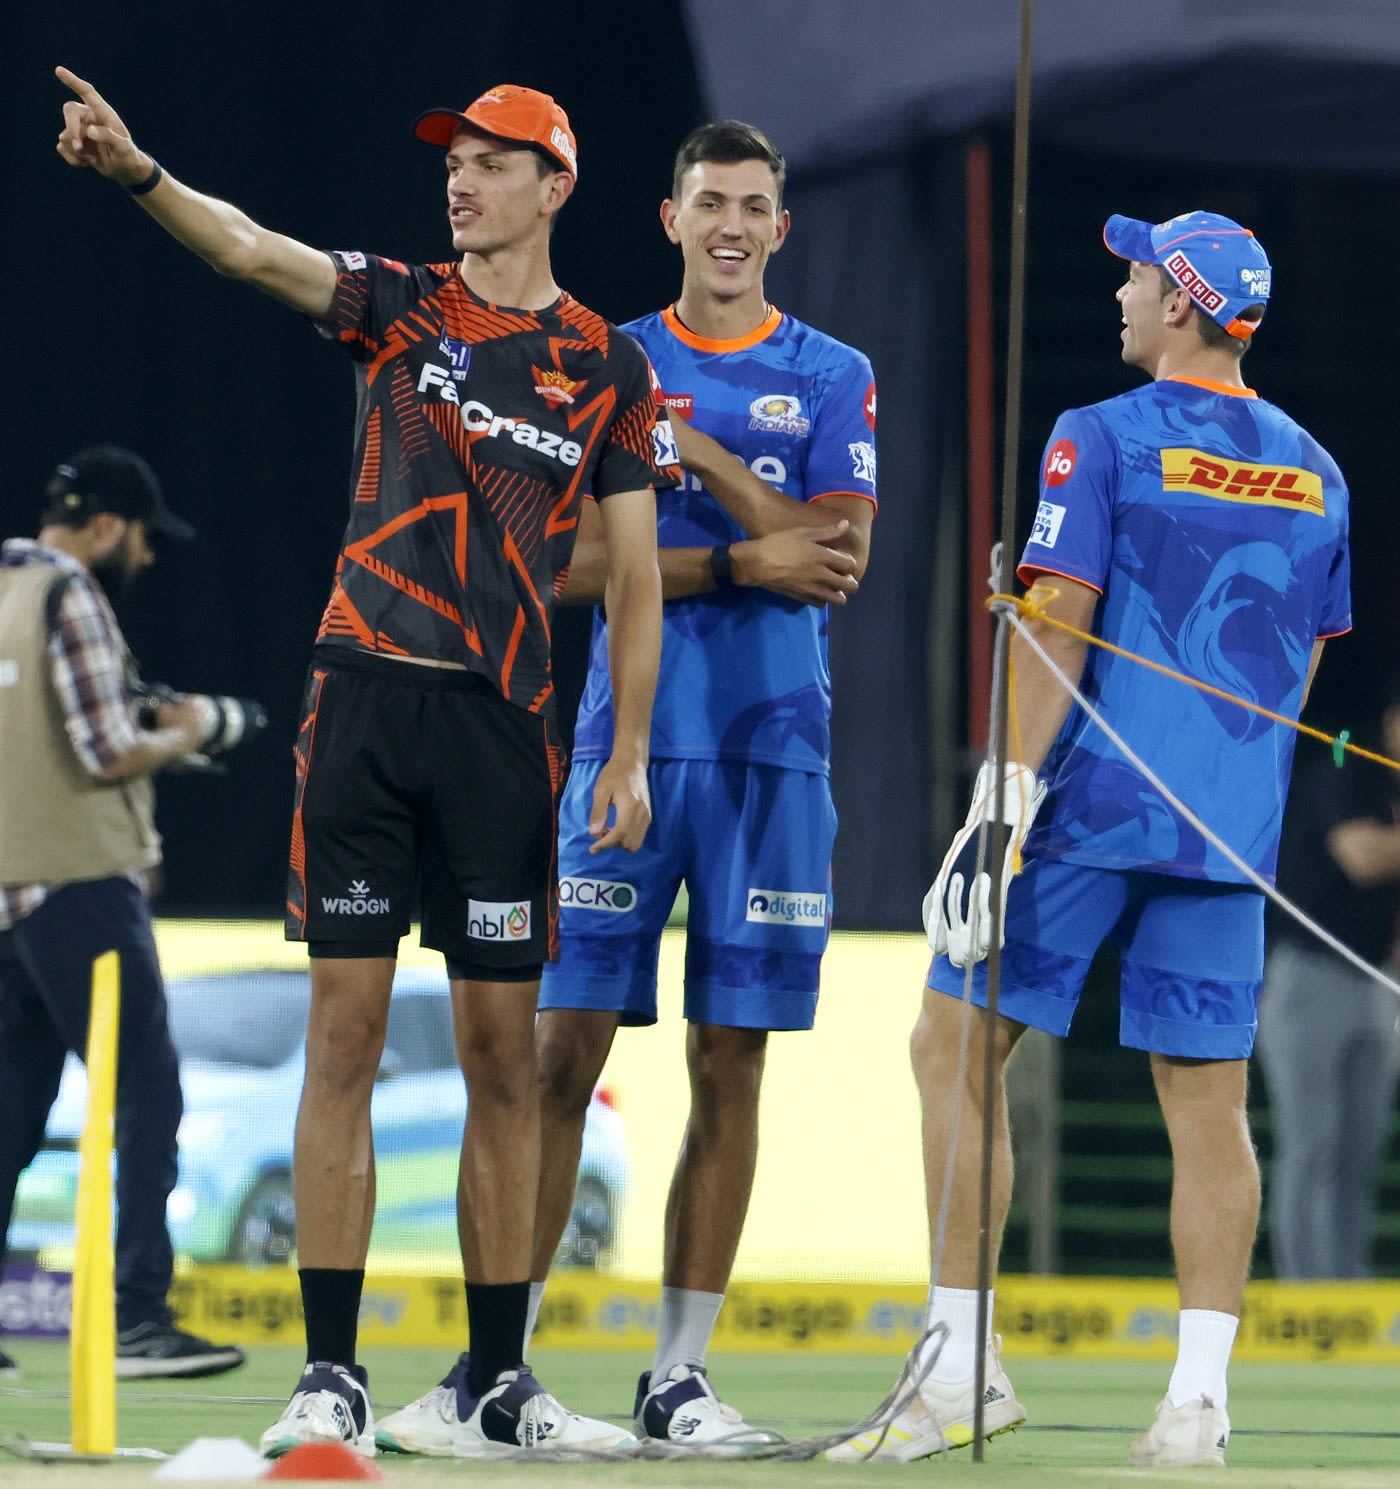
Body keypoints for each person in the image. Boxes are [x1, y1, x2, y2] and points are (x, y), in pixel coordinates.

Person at [54, 70, 673, 1459]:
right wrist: (143, 171)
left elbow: (632, 581)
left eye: (490, 162)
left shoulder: (610, 365)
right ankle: (329, 1372)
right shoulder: (401, 305)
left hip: (507, 735)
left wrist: (626, 748)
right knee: (339, 1041)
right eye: (452, 160)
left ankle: (498, 1379)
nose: (459, 180)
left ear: (553, 184)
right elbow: (252, 248)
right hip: (363, 709)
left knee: (501, 1060)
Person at [376, 118, 875, 1456]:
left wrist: (693, 458)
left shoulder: (833, 372)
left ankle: (679, 1376)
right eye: (708, 197)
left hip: (777, 757)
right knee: (556, 1056)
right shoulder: (604, 358)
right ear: (668, 218)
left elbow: (838, 553)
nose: (730, 221)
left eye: (754, 203)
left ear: (781, 227)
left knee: (734, 1058)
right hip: (620, 749)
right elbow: (561, 567)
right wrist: (728, 557)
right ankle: (499, 1370)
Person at [831, 211, 1351, 1468]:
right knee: (1206, 1106)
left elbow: (1064, 620)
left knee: (952, 1040)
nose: (1115, 290)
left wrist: (999, 797)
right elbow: (1299, 651)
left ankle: (958, 1367)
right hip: (1229, 832)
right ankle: (1195, 1408)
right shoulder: (1318, 466)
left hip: (1091, 812)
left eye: (1131, 273)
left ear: (1177, 302)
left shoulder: (1098, 437)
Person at [0, 446, 246, 1383]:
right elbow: (106, 749)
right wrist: (185, 733)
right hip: (80, 880)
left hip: (7, 892)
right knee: (147, 1092)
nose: (143, 556)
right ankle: (137, 1315)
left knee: (12, 1111)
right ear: (107, 524)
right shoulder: (72, 597)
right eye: (140, 537)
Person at [1256, 684, 1400, 1279]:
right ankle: (1306, 1294)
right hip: (1309, 976)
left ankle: (1348, 1292)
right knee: (1311, 1145)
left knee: (1359, 1152)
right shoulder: (1346, 757)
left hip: (1378, 984)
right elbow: (1362, 858)